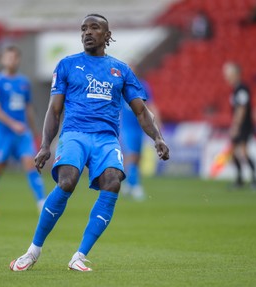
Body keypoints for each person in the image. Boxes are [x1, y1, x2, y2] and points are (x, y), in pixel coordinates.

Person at [9, 14, 170, 272]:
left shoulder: (121, 70)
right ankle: (33, 251)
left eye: (94, 28)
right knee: (67, 180)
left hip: (106, 139)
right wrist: (45, 145)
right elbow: (54, 109)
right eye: (84, 28)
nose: (87, 32)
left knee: (112, 182)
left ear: (107, 35)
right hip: (75, 133)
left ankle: (79, 256)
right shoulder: (67, 65)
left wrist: (158, 137)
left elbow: (141, 111)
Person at [0, 45, 46, 217]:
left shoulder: (24, 82)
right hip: (3, 133)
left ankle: (42, 203)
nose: (11, 60)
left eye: (14, 57)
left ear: (18, 60)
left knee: (31, 164)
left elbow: (28, 108)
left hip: (22, 133)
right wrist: (12, 123)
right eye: (8, 57)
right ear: (2, 60)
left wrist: (35, 130)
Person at [120, 71, 162, 201]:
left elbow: (150, 104)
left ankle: (128, 183)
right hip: (126, 127)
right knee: (131, 155)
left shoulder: (142, 86)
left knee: (137, 157)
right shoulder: (120, 85)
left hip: (140, 126)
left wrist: (157, 123)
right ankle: (136, 186)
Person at [223, 62, 256, 189]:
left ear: (236, 74)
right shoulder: (236, 89)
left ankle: (255, 180)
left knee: (243, 152)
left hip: (244, 125)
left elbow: (242, 109)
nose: (226, 77)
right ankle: (239, 180)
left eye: (228, 74)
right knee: (233, 153)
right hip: (240, 125)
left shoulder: (242, 88)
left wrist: (236, 126)